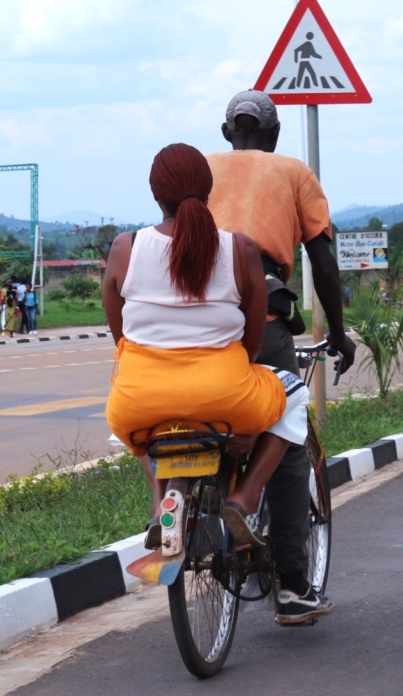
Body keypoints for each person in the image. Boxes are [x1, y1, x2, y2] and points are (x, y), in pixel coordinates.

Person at [103, 142, 310, 561]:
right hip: (226, 399)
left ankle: (161, 500)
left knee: (132, 413)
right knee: (296, 393)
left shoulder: (125, 248)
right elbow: (251, 343)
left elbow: (120, 336)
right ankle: (245, 498)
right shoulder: (240, 250)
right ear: (209, 191)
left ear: (154, 192)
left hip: (139, 404)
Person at [206, 90, 355, 625]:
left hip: (191, 323)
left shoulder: (197, 170)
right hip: (261, 318)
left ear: (228, 133)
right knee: (288, 438)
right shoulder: (293, 171)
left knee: (200, 421)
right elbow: (324, 262)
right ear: (272, 137)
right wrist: (338, 333)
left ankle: (197, 505)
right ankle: (294, 588)